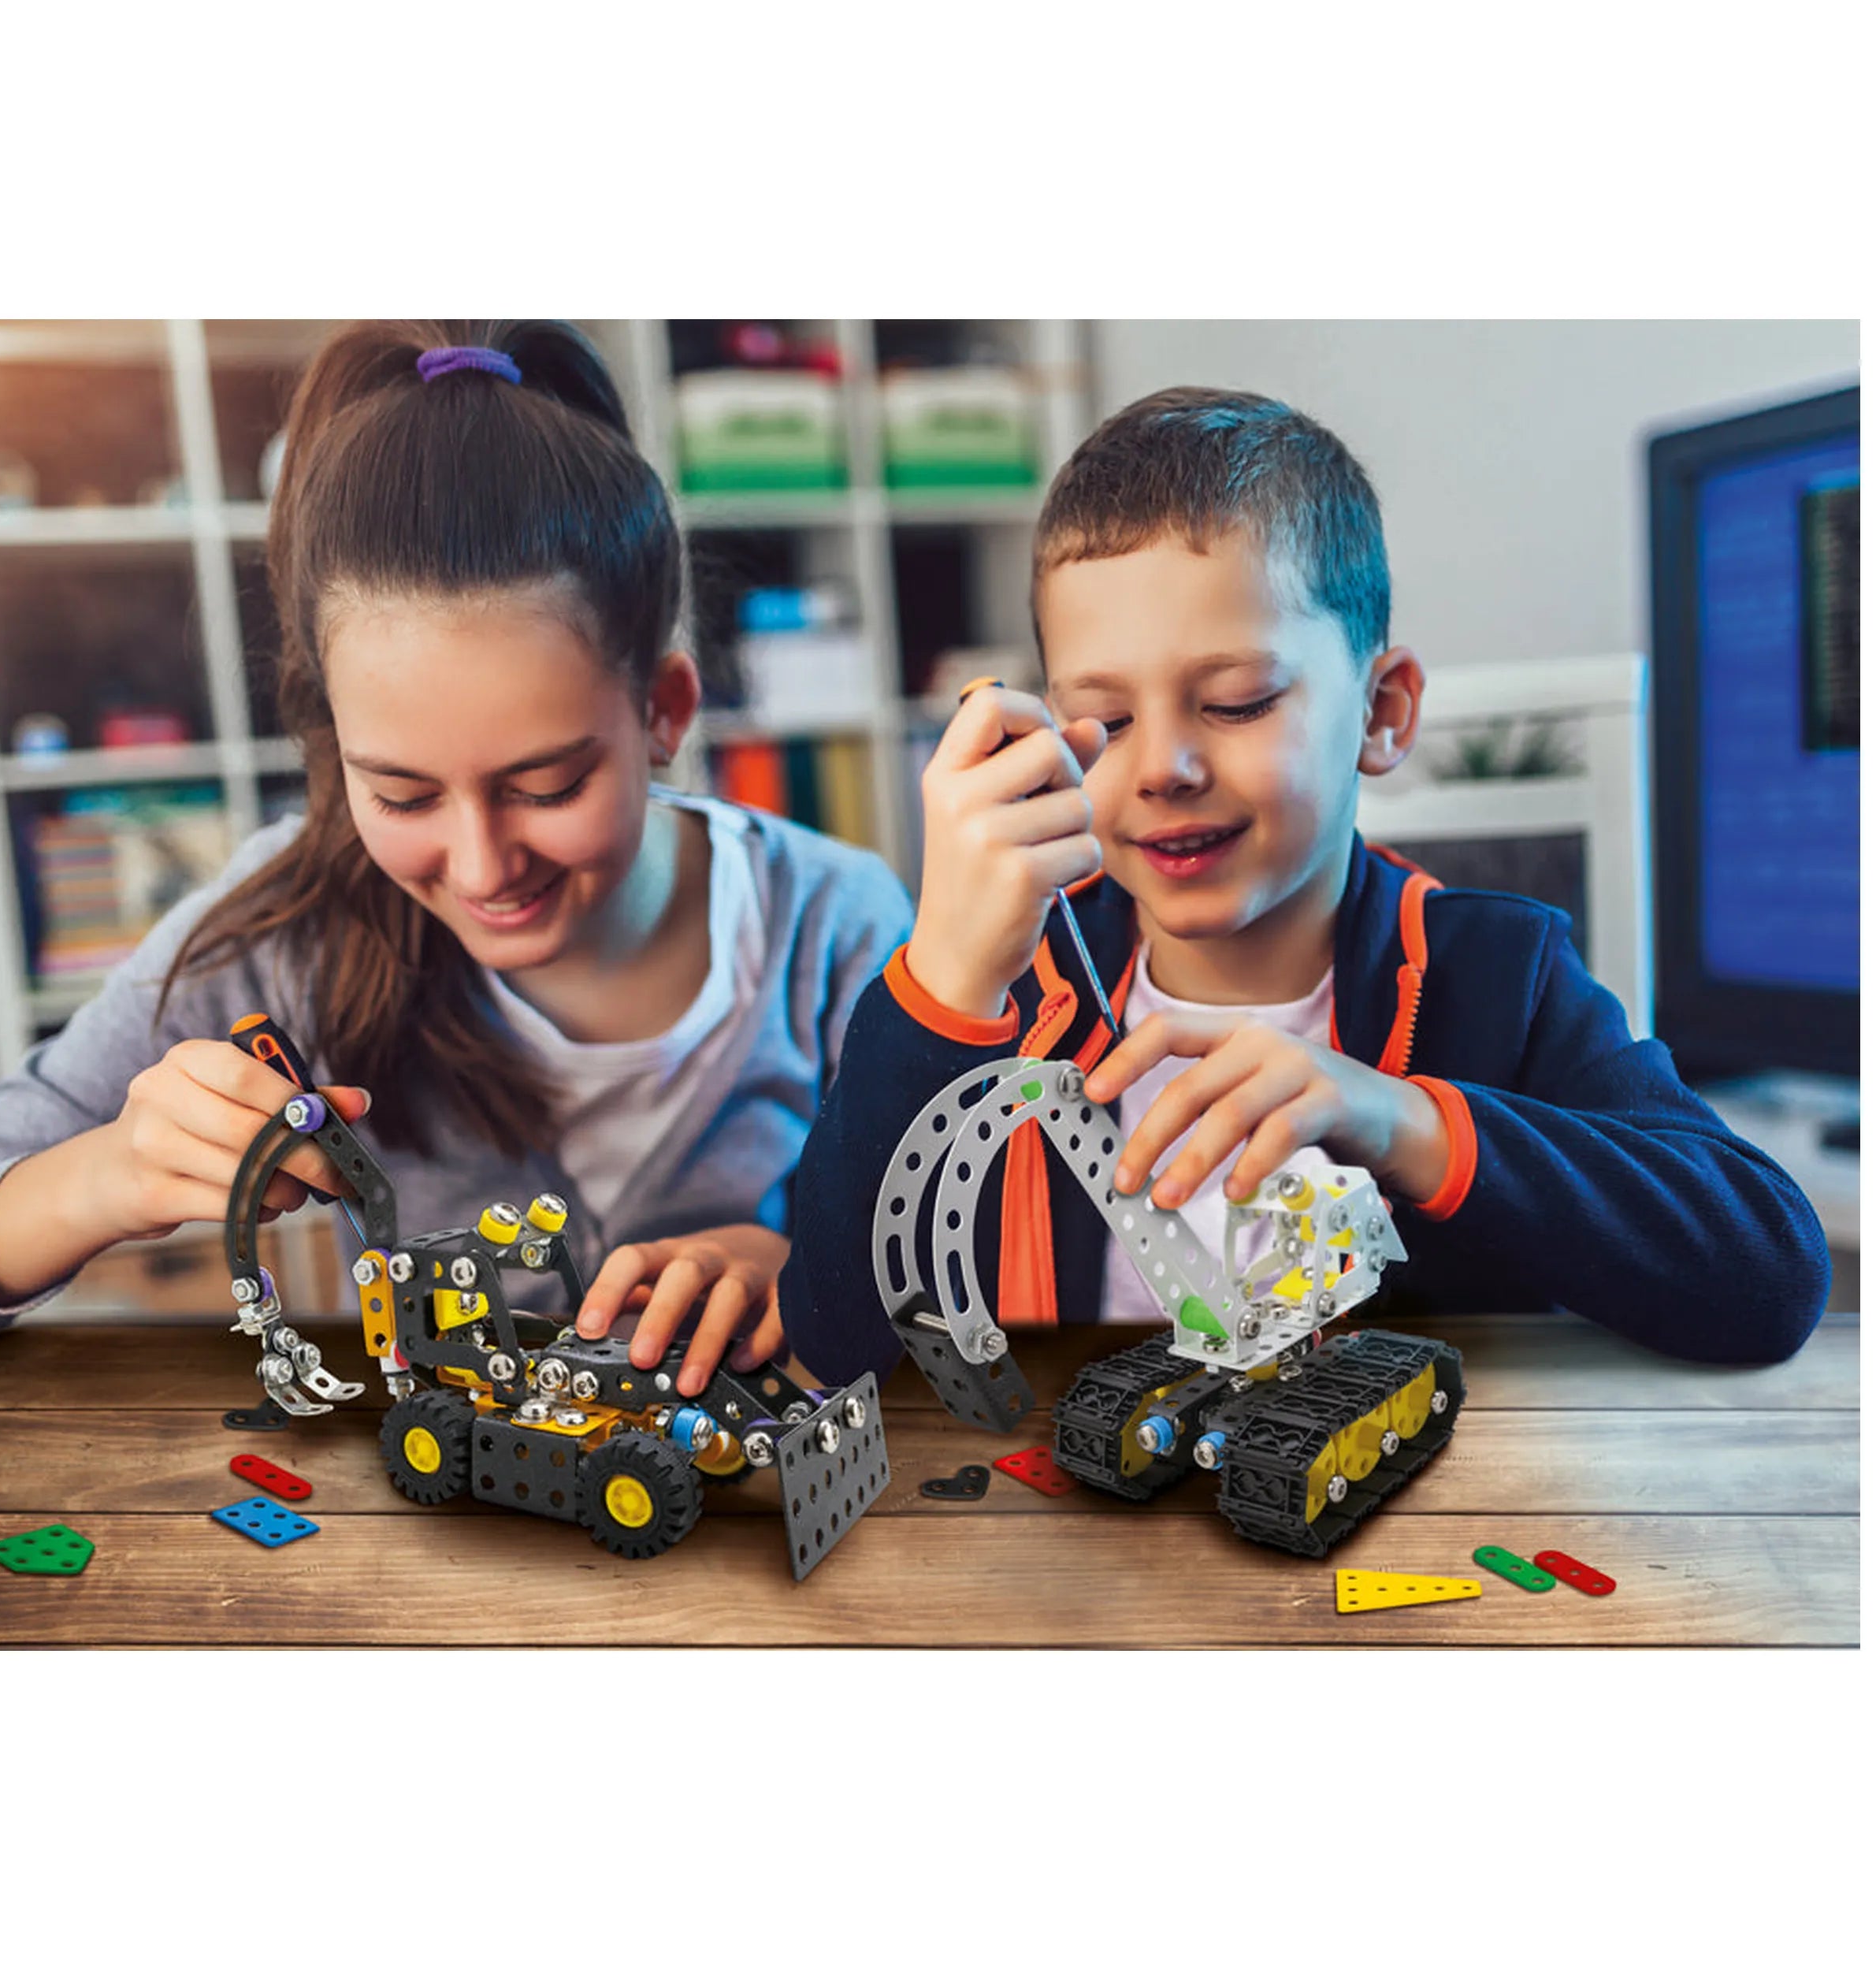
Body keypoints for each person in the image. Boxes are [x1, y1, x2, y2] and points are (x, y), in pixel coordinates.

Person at [0, 320, 913, 1391]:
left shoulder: (837, 923)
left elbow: (995, 1276)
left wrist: (819, 1282)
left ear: (665, 709)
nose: (482, 869)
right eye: (398, 793)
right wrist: (101, 1179)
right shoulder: (281, 928)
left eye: (547, 787)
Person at [778, 386, 1830, 1382]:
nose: (1162, 769)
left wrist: (1400, 1119)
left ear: (1381, 714)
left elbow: (1768, 1275)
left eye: (1237, 701)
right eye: (1109, 716)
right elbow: (833, 1342)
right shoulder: (1008, 987)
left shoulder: (1497, 977)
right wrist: (948, 980)